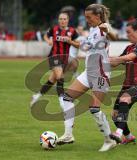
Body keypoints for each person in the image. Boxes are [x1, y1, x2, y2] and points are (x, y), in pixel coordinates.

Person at [56, 4, 118, 152]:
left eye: (89, 17)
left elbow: (114, 36)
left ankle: (109, 140)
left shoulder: (103, 26)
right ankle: (68, 135)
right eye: (86, 17)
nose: (87, 20)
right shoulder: (92, 30)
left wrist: (107, 30)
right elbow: (85, 46)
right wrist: (70, 41)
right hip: (88, 73)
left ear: (97, 16)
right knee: (67, 98)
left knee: (94, 109)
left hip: (100, 74)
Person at [109, 19, 137, 144]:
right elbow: (118, 62)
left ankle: (118, 133)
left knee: (125, 99)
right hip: (127, 85)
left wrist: (115, 59)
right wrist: (103, 59)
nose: (127, 35)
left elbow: (129, 58)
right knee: (115, 115)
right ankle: (128, 137)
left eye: (129, 32)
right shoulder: (129, 47)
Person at [30, 12, 79, 106]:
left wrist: (71, 41)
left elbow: (78, 45)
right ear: (58, 20)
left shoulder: (73, 31)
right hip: (53, 57)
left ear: (68, 20)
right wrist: (48, 40)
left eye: (64, 19)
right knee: (60, 77)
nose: (62, 21)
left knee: (52, 80)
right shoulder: (54, 29)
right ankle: (62, 101)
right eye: (61, 19)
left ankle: (36, 96)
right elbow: (45, 35)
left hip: (64, 59)